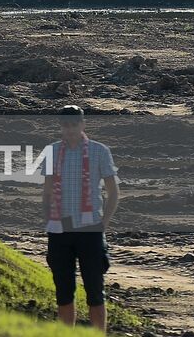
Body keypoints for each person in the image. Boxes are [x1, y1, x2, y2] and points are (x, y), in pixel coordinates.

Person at [44, 105, 119, 332]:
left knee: (95, 291)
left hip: (90, 230)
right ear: (61, 127)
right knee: (64, 293)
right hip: (60, 229)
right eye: (65, 125)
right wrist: (49, 219)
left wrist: (103, 225)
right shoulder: (52, 151)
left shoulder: (99, 151)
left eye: (74, 124)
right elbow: (47, 191)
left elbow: (113, 191)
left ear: (83, 124)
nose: (70, 130)